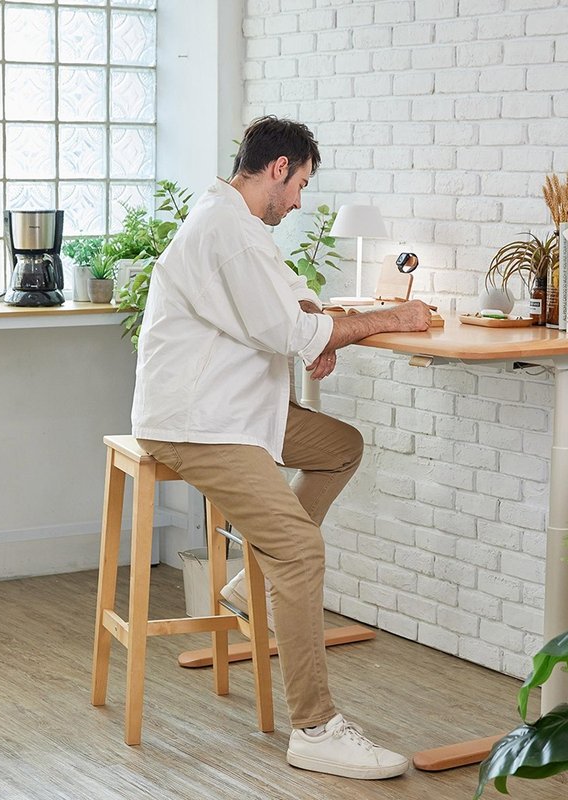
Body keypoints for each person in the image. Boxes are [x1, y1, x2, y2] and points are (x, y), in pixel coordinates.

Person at [132, 116, 434, 780]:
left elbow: (287, 304)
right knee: (300, 547)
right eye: (298, 185)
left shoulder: (234, 223)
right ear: (278, 169)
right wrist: (383, 320)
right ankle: (316, 727)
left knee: (339, 445)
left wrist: (320, 331)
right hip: (199, 422)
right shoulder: (227, 229)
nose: (297, 201)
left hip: (232, 408)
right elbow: (284, 326)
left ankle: (251, 584)